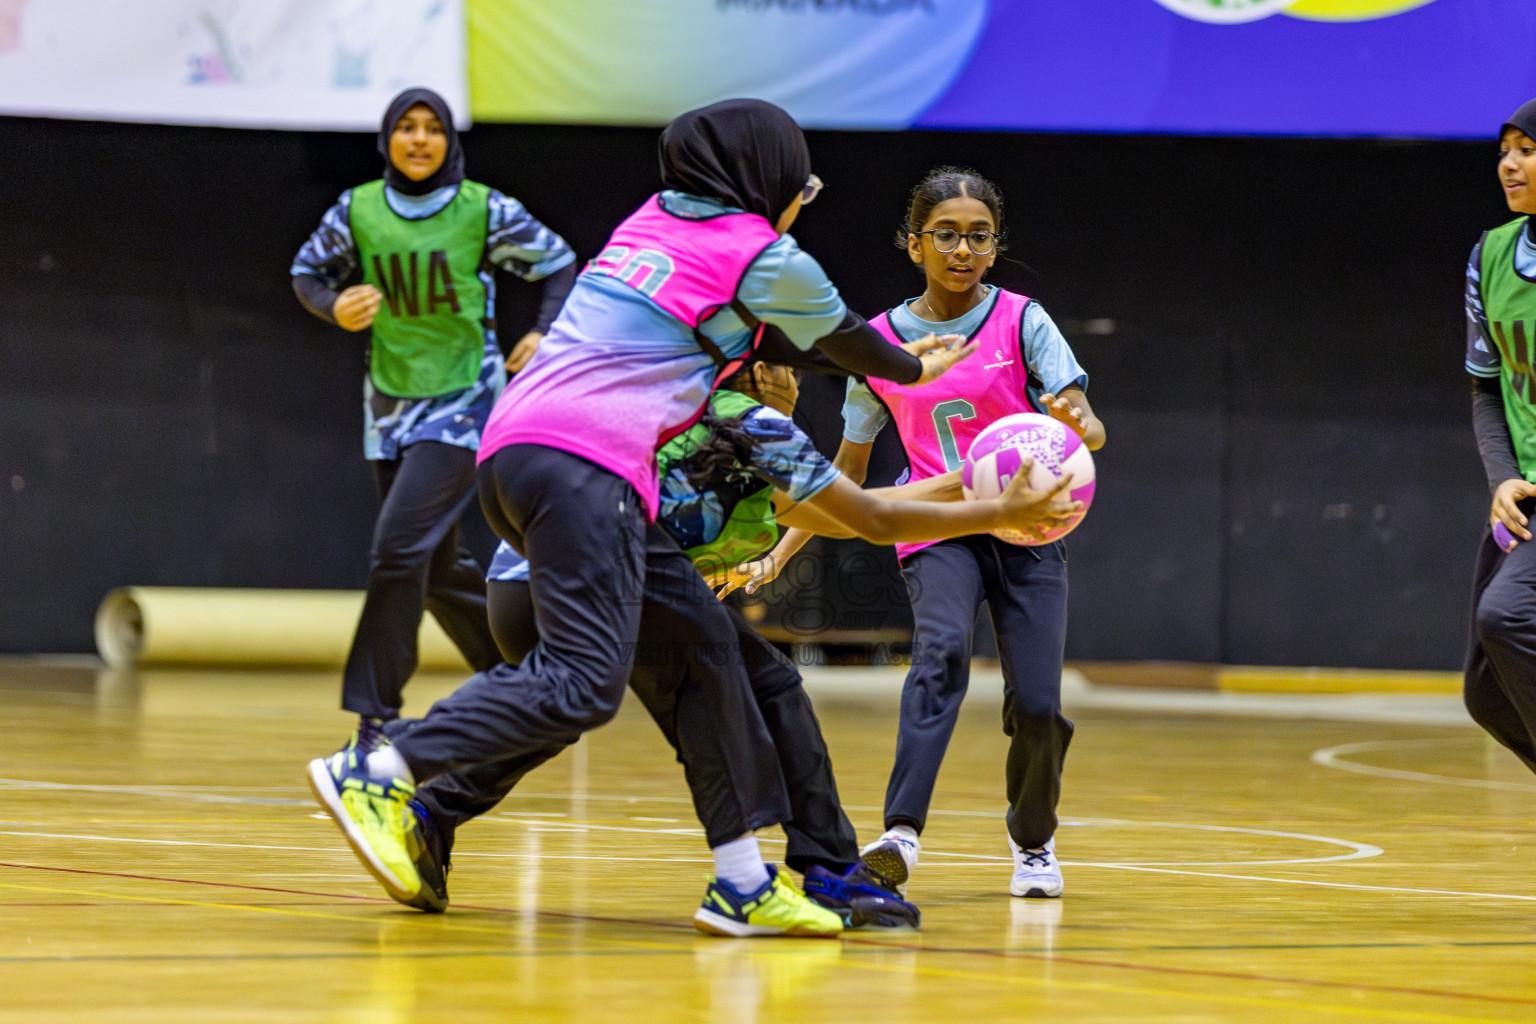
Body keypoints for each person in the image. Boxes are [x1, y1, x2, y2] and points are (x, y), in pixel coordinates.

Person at [306, 99, 992, 939]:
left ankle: (741, 882)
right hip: (581, 462)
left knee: (710, 653)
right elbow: (847, 345)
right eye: (799, 184)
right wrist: (914, 372)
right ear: (768, 177)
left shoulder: (652, 221)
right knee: (582, 685)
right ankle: (380, 765)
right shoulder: (766, 256)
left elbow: (760, 340)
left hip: (523, 452)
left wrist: (883, 361)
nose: (800, 199)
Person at [390, 361, 1079, 930]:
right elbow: (870, 516)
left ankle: (430, 813)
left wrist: (975, 478)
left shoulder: (693, 417)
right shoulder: (751, 421)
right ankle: (814, 870)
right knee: (766, 690)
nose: (795, 380)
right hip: (599, 583)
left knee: (572, 709)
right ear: (746, 368)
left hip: (519, 588)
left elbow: (832, 515)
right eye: (780, 364)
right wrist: (991, 495)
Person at [752, 167, 1105, 901]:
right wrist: (779, 550)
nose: (963, 248)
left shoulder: (1022, 320)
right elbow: (841, 476)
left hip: (1028, 523)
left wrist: (1081, 425)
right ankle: (900, 834)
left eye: (979, 236)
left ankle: (1033, 840)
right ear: (915, 245)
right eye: (945, 234)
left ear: (994, 245)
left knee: (1038, 705)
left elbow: (1085, 418)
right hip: (938, 528)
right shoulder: (880, 343)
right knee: (940, 656)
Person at [290, 87, 577, 732]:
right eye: (406, 128)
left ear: (450, 140)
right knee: (440, 567)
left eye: (432, 129)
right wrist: (331, 305)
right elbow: (307, 273)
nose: (419, 140)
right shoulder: (357, 208)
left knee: (396, 549)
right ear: (387, 138)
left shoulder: (482, 208)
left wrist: (546, 331)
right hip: (389, 407)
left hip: (466, 401)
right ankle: (528, 681)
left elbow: (558, 263)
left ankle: (375, 717)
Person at [1462, 98, 1536, 779]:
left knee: (1508, 615)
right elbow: (1488, 389)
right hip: (1524, 494)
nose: (1509, 164)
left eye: (1528, 149)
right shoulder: (1491, 255)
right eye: (1504, 150)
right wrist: (1501, 478)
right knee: (1485, 694)